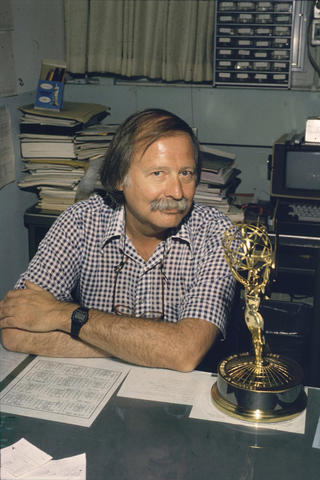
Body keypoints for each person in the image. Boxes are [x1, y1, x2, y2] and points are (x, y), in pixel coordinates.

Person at [0, 108, 236, 372]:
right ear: (118, 179)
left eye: (186, 173)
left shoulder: (216, 233)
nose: (177, 192)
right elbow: (14, 330)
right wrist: (143, 347)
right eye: (158, 173)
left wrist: (63, 314)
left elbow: (185, 352)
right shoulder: (80, 221)